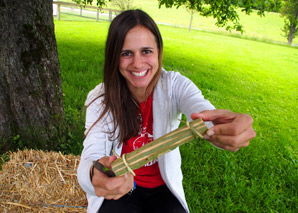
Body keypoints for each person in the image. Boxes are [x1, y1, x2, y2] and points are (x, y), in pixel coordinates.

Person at [77, 9, 256, 213]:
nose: (137, 63)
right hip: (121, 187)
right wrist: (94, 175)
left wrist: (224, 127)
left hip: (162, 190)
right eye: (126, 53)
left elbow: (203, 112)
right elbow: (91, 154)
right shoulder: (100, 98)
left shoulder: (175, 86)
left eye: (146, 51)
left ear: (159, 52)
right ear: (113, 57)